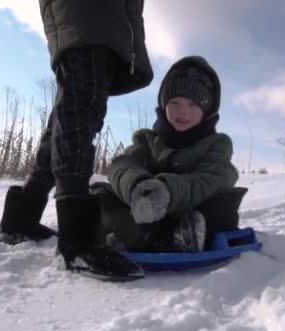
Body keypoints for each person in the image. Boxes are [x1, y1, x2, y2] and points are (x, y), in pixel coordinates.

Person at [0, 1, 153, 279]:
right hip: (89, 16)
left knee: (69, 113)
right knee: (80, 115)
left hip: (93, 20)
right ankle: (78, 241)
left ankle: (23, 216)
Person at [90, 56, 245, 254]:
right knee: (100, 194)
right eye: (175, 102)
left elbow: (212, 179)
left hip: (192, 212)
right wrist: (137, 186)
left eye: (193, 104)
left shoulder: (218, 143)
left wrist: (169, 192)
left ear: (207, 110)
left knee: (223, 205)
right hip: (145, 213)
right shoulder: (146, 139)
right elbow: (123, 164)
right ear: (163, 103)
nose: (183, 111)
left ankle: (183, 235)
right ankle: (134, 234)